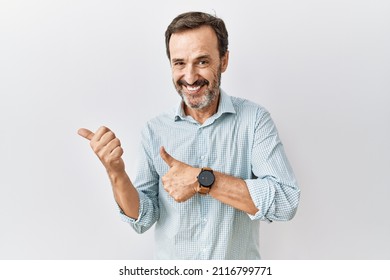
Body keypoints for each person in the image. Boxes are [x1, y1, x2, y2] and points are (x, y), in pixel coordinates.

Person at [78, 11, 300, 259]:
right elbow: (142, 218)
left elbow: (285, 201)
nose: (190, 76)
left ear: (224, 60)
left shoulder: (255, 120)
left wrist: (202, 179)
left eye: (202, 61)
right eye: (179, 63)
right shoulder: (154, 130)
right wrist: (116, 172)